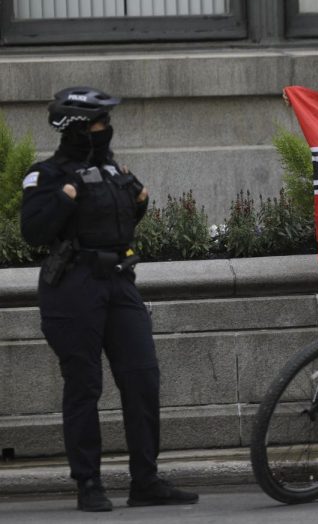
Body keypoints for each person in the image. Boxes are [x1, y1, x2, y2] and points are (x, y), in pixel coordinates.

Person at [20, 87, 198, 512]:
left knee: (142, 378)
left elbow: (118, 223)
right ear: (77, 128)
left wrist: (139, 202)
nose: (106, 130)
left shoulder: (114, 170)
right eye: (99, 123)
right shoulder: (45, 175)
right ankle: (89, 483)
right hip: (73, 286)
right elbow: (33, 233)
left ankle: (146, 481)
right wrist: (65, 199)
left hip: (120, 283)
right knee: (84, 386)